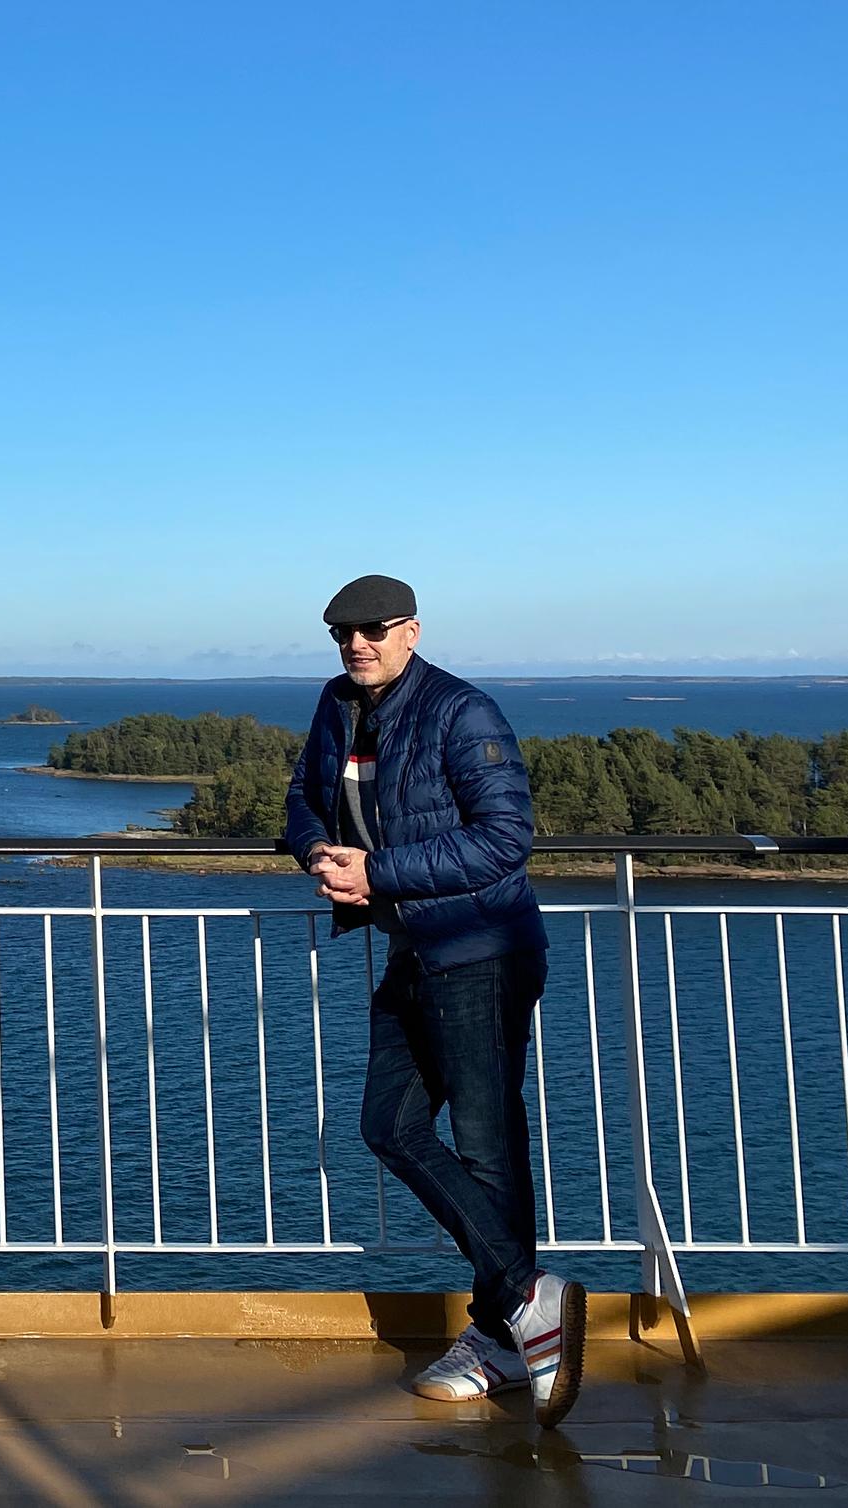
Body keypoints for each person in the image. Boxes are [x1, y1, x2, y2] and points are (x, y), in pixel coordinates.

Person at [283, 574, 582, 1427]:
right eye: (343, 632)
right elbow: (302, 801)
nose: (356, 645)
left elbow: (503, 838)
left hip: (483, 952)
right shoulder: (338, 705)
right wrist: (321, 858)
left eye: (373, 631)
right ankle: (530, 1299)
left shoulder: (462, 711)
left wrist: (376, 871)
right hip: (418, 948)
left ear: (412, 631)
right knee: (389, 1125)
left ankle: (501, 1332)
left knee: (487, 1146)